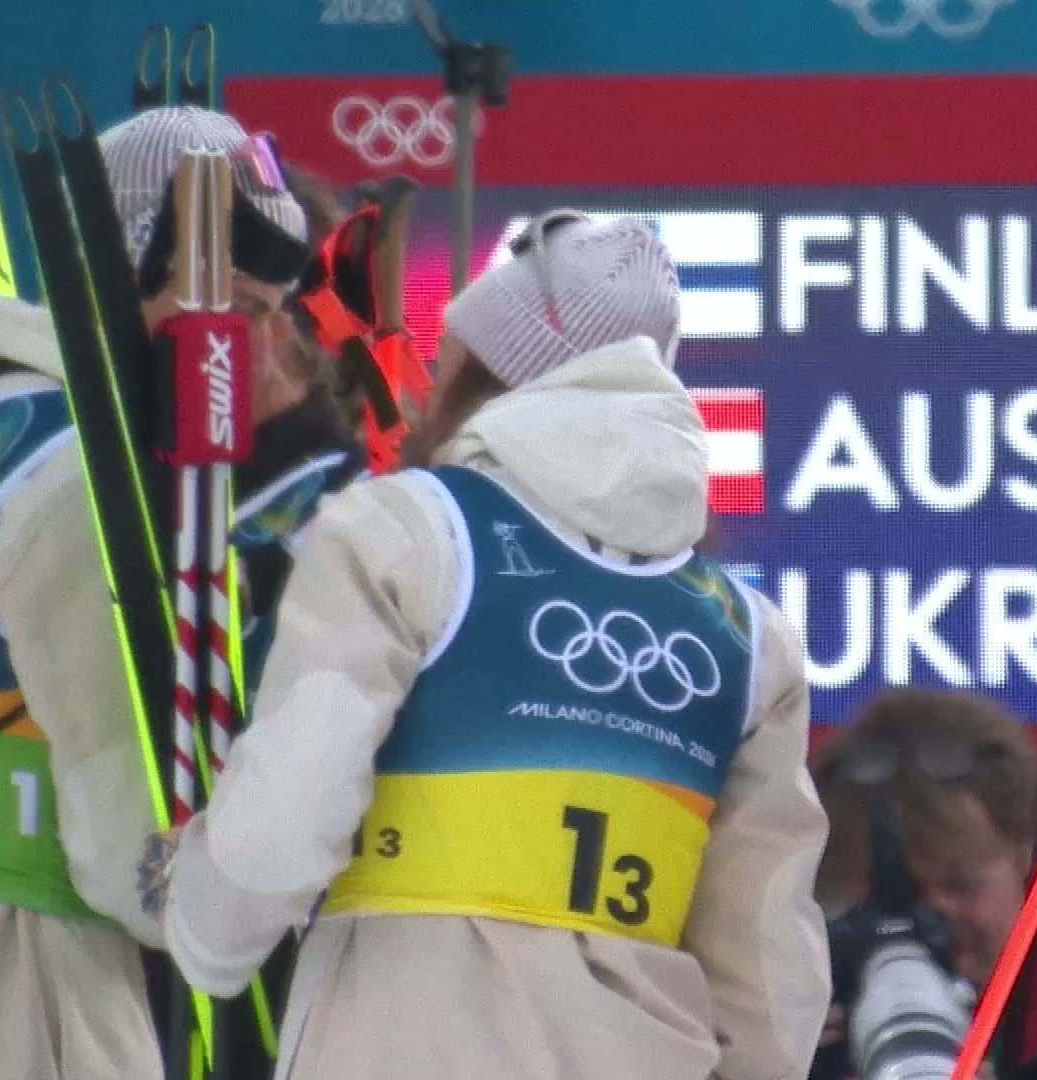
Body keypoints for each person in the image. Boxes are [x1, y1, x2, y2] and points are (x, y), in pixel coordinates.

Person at [141, 210, 831, 1080]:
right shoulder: (747, 635)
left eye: (446, 358)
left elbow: (287, 810)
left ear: (485, 368)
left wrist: (201, 923)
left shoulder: (403, 533)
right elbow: (766, 961)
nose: (424, 387)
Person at [0, 104, 311, 1080]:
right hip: (37, 954)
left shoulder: (25, 411)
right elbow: (132, 859)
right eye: (239, 306)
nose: (257, 347)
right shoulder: (79, 480)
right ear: (131, 265)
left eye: (274, 311)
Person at [814, 687, 1037, 1080]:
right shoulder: (794, 981)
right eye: (893, 896)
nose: (934, 917)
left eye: (959, 885)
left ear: (1025, 855)